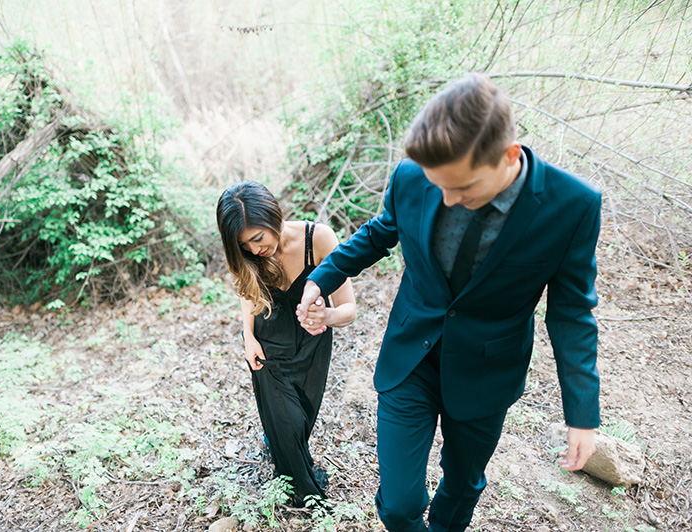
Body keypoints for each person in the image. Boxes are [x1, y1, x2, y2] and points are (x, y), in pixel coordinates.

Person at [297, 73, 601, 532]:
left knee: (462, 485)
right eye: (438, 186)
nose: (447, 199)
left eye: (462, 189)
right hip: (410, 357)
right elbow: (382, 231)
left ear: (509, 156)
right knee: (399, 505)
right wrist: (323, 276)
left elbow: (572, 313)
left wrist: (582, 415)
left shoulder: (572, 206)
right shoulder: (412, 176)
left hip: (486, 372)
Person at [216, 181, 356, 506]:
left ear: (273, 216)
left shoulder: (318, 238)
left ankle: (282, 450)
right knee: (287, 422)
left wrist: (326, 317)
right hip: (267, 347)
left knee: (301, 421)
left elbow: (348, 310)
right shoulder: (250, 257)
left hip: (312, 344)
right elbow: (246, 292)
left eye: (257, 238)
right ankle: (308, 500)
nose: (253, 250)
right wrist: (248, 336)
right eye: (243, 245)